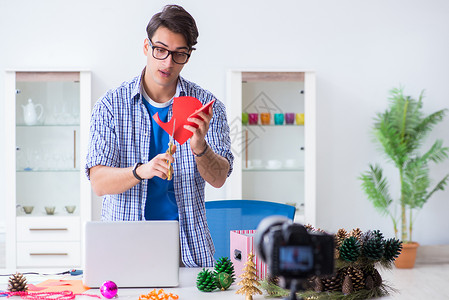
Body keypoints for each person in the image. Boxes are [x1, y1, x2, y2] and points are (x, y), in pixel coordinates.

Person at [85, 4, 234, 267]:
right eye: (160, 50)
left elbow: (219, 178)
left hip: (189, 252)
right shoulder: (110, 106)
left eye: (179, 54)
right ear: (146, 47)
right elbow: (98, 183)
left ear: (188, 56)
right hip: (123, 249)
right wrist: (140, 171)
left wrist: (200, 147)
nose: (167, 62)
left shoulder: (208, 107)